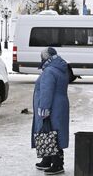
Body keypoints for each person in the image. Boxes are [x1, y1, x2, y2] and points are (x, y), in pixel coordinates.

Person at [32, 47, 70, 175]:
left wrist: (44, 108)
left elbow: (46, 92)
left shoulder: (49, 71)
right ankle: (47, 159)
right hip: (60, 105)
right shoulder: (61, 68)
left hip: (52, 106)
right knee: (51, 132)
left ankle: (58, 164)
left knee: (51, 133)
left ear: (45, 57)